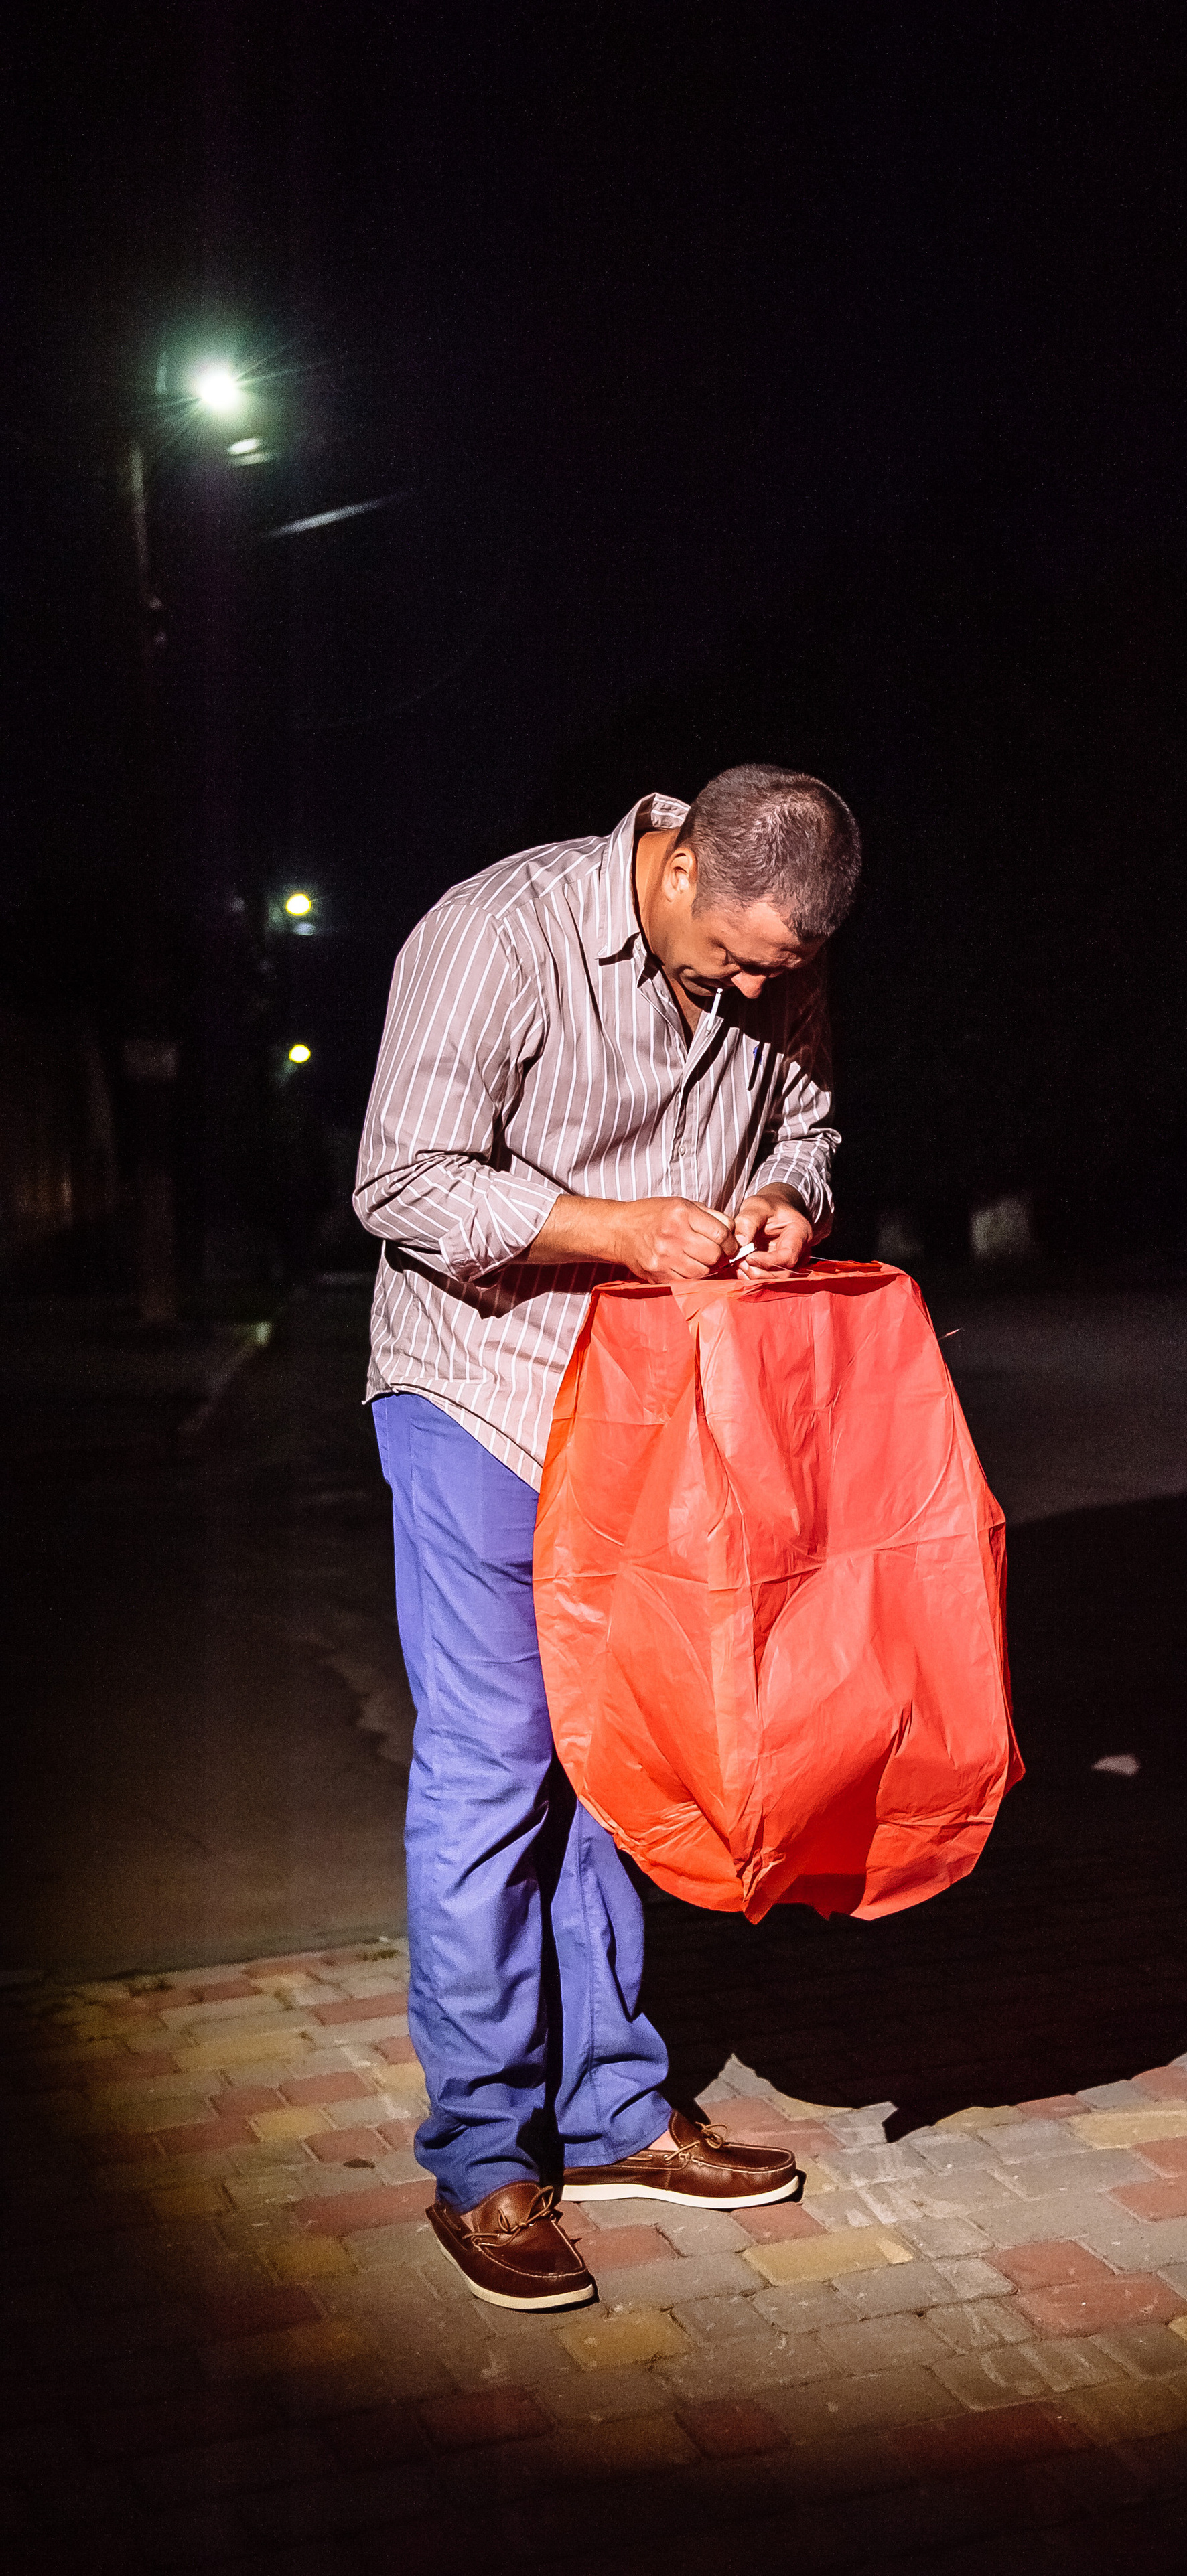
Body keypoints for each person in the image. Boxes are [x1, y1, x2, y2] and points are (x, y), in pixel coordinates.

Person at [354, 765, 861, 2309]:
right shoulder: (494, 933)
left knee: (612, 1762)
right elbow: (400, 1179)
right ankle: (483, 2162)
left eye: (783, 971)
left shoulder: (778, 961)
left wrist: (785, 1196)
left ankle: (614, 2112)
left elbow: (809, 1124)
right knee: (493, 1770)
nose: (760, 993)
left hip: (655, 1414)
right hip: (483, 1395)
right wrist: (616, 1225)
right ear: (677, 863)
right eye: (740, 961)